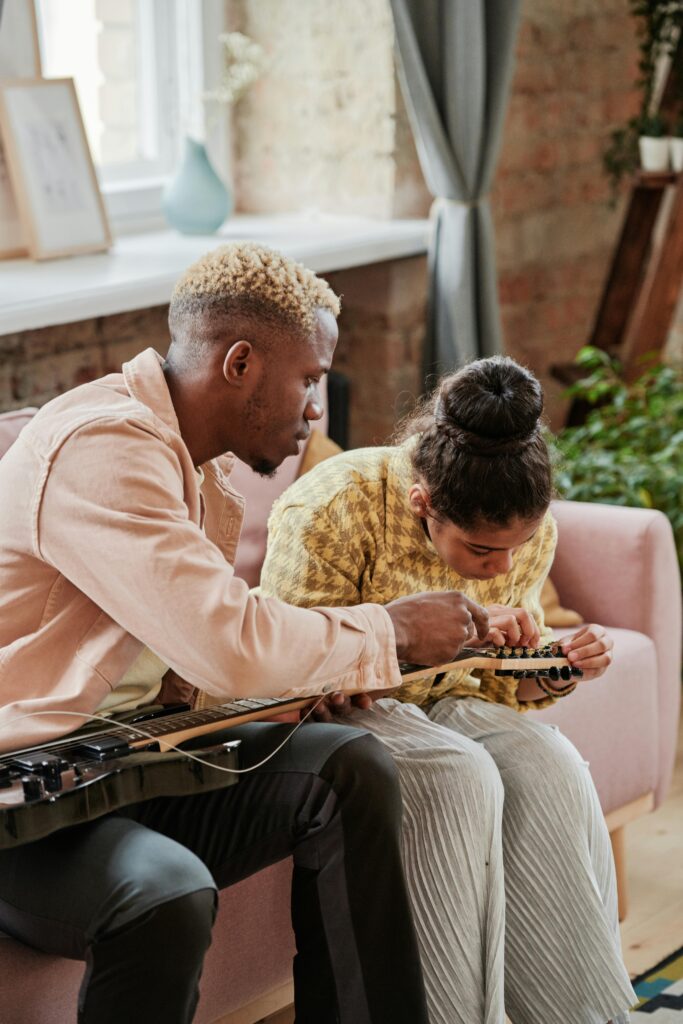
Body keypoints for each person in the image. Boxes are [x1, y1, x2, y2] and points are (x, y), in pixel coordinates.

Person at [0, 243, 491, 1024]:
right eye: (309, 379)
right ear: (239, 363)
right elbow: (225, 641)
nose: (315, 409)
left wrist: (303, 682)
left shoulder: (192, 469)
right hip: (27, 794)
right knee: (164, 890)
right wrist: (385, 633)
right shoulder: (103, 450)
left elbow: (201, 653)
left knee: (348, 766)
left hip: (126, 759)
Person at [261, 356, 637, 1024]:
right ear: (422, 505)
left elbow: (491, 687)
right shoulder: (333, 502)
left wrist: (549, 667)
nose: (505, 566)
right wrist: (421, 638)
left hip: (446, 705)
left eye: (517, 548)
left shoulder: (525, 531)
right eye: (483, 554)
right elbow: (288, 667)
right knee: (459, 775)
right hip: (339, 709)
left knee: (545, 762)